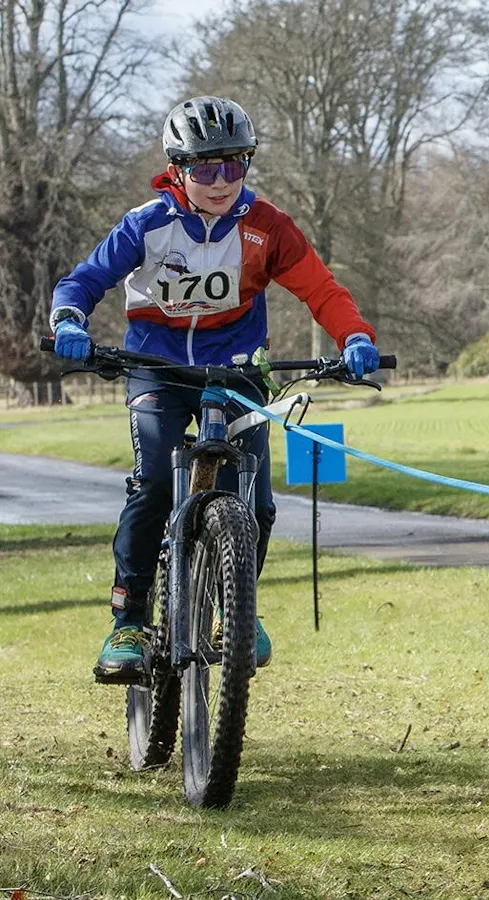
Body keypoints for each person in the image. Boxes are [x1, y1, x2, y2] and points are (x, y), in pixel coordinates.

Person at [49, 96, 379, 684]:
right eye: (205, 168)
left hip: (235, 372)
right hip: (157, 367)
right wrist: (69, 321)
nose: (221, 181)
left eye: (234, 165)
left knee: (255, 500)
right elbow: (85, 279)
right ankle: (129, 621)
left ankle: (236, 611)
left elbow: (322, 290)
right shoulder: (146, 225)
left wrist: (354, 336)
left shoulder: (267, 227)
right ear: (177, 169)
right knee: (153, 482)